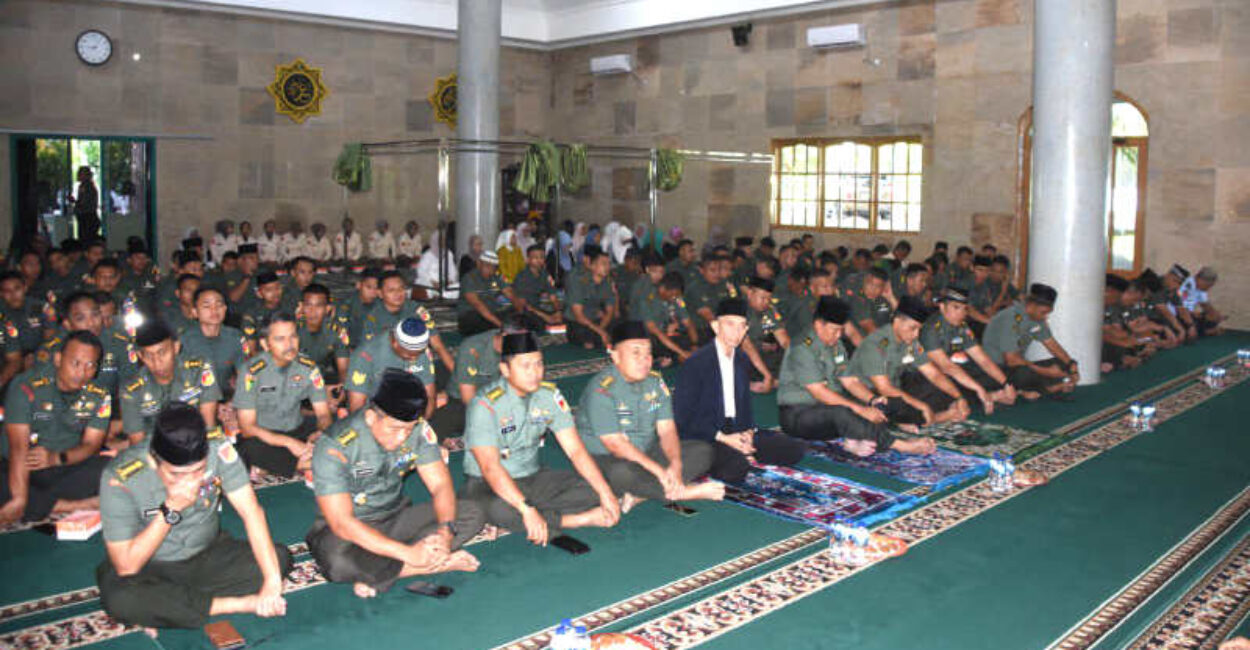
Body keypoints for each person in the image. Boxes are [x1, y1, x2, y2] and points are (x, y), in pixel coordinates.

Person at [97, 403, 291, 630]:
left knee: (278, 559)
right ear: (155, 460)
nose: (190, 481)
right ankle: (237, 604)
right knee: (121, 599)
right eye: (176, 474)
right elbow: (127, 565)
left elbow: (252, 513)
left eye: (199, 470)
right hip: (151, 565)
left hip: (208, 554)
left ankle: (176, 605)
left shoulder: (219, 449)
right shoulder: (120, 477)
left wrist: (272, 582)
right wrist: (170, 510)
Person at [307, 370, 484, 599]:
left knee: (471, 512)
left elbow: (440, 485)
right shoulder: (335, 446)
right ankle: (425, 565)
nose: (402, 437)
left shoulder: (419, 430)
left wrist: (445, 533)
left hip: (394, 516)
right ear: (371, 417)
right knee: (335, 562)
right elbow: (342, 523)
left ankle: (384, 570)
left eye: (408, 429)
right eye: (395, 428)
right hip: (348, 528)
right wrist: (409, 554)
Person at [461, 332, 620, 547]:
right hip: (486, 484)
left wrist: (605, 492)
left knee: (598, 485)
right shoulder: (485, 405)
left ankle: (534, 515)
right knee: (498, 509)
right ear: (505, 370)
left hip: (532, 477)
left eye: (538, 364)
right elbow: (490, 468)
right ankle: (572, 520)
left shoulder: (549, 396)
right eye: (525, 366)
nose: (534, 372)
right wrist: (526, 508)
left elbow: (575, 451)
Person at [577, 322, 722, 509]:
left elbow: (667, 429)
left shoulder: (655, 382)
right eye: (636, 353)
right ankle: (682, 492)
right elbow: (616, 445)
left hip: (645, 452)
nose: (644, 360)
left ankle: (640, 494)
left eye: (648, 354)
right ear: (615, 356)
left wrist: (675, 464)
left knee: (703, 451)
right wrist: (660, 472)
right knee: (621, 473)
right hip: (607, 457)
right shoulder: (602, 390)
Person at [777, 297, 935, 457]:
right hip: (799, 414)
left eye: (841, 330)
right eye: (834, 330)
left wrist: (872, 400)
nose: (839, 335)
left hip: (830, 408)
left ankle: (858, 436)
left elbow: (850, 381)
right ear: (819, 325)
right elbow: (819, 392)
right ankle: (900, 445)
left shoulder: (836, 345)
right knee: (844, 413)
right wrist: (861, 410)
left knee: (884, 403)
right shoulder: (802, 347)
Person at [674, 298, 806, 483]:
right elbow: (683, 417)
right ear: (715, 326)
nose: (736, 331)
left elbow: (744, 405)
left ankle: (740, 450)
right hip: (706, 433)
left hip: (735, 428)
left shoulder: (742, 360)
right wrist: (723, 438)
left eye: (741, 326)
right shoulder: (696, 363)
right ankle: (733, 454)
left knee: (794, 449)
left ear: (746, 330)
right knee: (736, 468)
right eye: (730, 324)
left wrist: (748, 434)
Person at [1, 330, 112, 524]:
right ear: (59, 359)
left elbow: (91, 444)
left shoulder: (99, 395)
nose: (82, 373)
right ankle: (71, 505)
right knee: (8, 488)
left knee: (110, 469)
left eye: (90, 366)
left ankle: (40, 504)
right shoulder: (26, 386)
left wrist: (56, 458)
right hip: (15, 467)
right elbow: (18, 447)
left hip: (61, 466)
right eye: (75, 363)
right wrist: (19, 497)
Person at [232, 313, 333, 477]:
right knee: (247, 447)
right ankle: (309, 462)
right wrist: (289, 443)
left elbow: (323, 414)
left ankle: (301, 461)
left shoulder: (308, 367)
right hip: (265, 436)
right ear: (265, 344)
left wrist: (320, 434)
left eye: (293, 337)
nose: (289, 344)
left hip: (298, 430)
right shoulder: (251, 372)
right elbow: (247, 427)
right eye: (280, 339)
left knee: (338, 428)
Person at [847, 296, 971, 429]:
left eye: (919, 329)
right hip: (873, 396)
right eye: (913, 328)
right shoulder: (875, 344)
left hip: (897, 390)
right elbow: (884, 388)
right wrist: (922, 406)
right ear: (897, 321)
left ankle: (921, 419)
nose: (916, 334)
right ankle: (935, 418)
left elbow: (933, 374)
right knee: (895, 406)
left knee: (943, 384)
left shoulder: (911, 341)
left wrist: (958, 398)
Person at [919, 287, 1017, 413]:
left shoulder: (962, 326)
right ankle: (984, 396)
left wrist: (1006, 383)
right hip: (934, 376)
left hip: (958, 372)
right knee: (942, 389)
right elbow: (947, 367)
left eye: (965, 308)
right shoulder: (930, 329)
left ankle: (982, 396)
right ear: (942, 307)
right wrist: (978, 389)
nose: (962, 313)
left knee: (1002, 374)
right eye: (956, 307)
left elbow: (983, 360)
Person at [121, 321, 221, 445]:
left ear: (176, 347)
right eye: (149, 356)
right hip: (155, 448)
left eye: (162, 353)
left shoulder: (199, 369)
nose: (157, 362)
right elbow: (138, 442)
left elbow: (208, 425)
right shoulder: (131, 390)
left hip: (198, 442)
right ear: (140, 356)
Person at [981, 283, 1079, 400]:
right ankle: (1042, 389)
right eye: (1043, 312)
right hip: (997, 370)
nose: (1045, 317)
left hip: (1017, 366)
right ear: (1031, 305)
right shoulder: (1011, 318)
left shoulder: (1036, 318)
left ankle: (1038, 389)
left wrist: (1071, 364)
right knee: (1025, 373)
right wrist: (1047, 372)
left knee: (1061, 364)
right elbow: (1011, 360)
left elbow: (1052, 344)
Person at [180, 286, 249, 394]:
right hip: (194, 395)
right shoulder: (185, 340)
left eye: (219, 305)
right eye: (207, 306)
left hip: (227, 396)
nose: (214, 310)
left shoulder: (235, 337)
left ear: (225, 309)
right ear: (195, 312)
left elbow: (245, 373)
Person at [297, 284, 349, 397]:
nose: (313, 311)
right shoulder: (291, 329)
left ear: (328, 309)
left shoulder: (337, 331)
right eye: (308, 305)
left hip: (322, 376)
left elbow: (343, 369)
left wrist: (341, 388)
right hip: (295, 380)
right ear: (301, 307)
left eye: (319, 306)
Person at [636, 271, 698, 365]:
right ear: (662, 289)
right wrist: (682, 353)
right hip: (651, 338)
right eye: (673, 295)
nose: (675, 298)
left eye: (678, 295)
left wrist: (694, 345)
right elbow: (657, 332)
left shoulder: (678, 299)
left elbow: (688, 323)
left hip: (671, 336)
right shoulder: (646, 300)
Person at [564, 249, 618, 349]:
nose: (607, 267)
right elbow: (579, 316)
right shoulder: (579, 281)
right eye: (603, 264)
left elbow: (609, 312)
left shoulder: (607, 282)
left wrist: (600, 330)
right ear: (592, 266)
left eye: (608, 264)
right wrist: (600, 332)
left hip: (596, 320)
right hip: (578, 322)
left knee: (618, 331)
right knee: (588, 342)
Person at [457, 251, 517, 336]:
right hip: (473, 315)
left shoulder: (496, 278)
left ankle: (502, 329)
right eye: (487, 265)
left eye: (493, 267)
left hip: (492, 313)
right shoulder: (469, 278)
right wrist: (501, 325)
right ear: (479, 264)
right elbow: (478, 305)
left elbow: (510, 294)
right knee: (475, 318)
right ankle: (500, 329)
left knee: (514, 310)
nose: (490, 269)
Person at [511, 244, 563, 326]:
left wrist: (558, 312)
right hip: (524, 312)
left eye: (542, 257)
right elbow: (522, 305)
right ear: (528, 260)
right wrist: (546, 317)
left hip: (537, 310)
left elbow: (553, 297)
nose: (539, 260)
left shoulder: (544, 274)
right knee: (542, 322)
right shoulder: (522, 277)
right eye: (535, 257)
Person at [1178, 266, 1224, 336]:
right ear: (1200, 279)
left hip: (1190, 314)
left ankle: (1205, 330)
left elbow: (1206, 306)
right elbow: (1180, 308)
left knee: (1209, 316)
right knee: (1191, 323)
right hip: (1178, 314)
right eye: (1208, 285)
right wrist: (1193, 314)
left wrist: (1216, 315)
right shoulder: (1187, 285)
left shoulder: (1201, 289)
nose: (1208, 288)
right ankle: (1205, 331)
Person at [72, 166, 100, 238]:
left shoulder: (88, 187)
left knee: (86, 238)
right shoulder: (83, 186)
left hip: (88, 218)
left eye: (81, 174)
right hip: (85, 217)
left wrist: (75, 202)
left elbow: (85, 203)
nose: (79, 176)